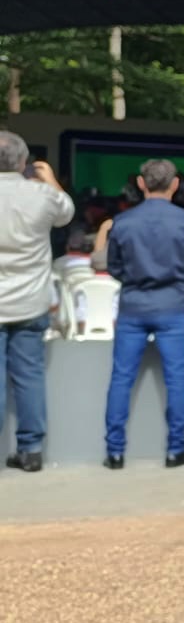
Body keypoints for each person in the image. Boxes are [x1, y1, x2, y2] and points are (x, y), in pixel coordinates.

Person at [102, 158, 184, 470]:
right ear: (175, 184)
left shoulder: (122, 222)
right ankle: (176, 450)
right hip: (172, 304)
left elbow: (114, 267)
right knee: (176, 379)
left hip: (133, 305)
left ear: (140, 183)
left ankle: (115, 453)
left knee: (121, 378)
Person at [0, 133, 76, 472]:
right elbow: (67, 212)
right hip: (31, 302)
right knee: (29, 377)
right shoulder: (43, 195)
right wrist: (51, 179)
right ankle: (31, 450)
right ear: (23, 162)